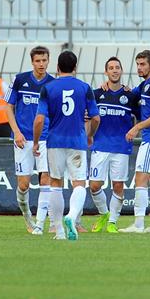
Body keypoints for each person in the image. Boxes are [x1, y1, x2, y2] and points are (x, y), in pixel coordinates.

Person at [33, 51, 100, 240]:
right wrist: (90, 135)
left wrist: (37, 141)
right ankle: (72, 216)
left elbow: (39, 120)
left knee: (55, 184)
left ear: (57, 68)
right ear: (75, 67)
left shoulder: (48, 88)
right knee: (79, 183)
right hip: (77, 140)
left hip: (54, 141)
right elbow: (95, 118)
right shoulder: (85, 88)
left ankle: (60, 231)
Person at [4, 46, 55, 234]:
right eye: (38, 61)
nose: (41, 64)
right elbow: (8, 107)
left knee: (46, 179)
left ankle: (40, 224)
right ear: (32, 62)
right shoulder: (20, 80)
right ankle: (28, 218)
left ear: (48, 61)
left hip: (45, 138)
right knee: (23, 185)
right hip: (23, 138)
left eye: (44, 60)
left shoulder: (53, 84)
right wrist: (16, 132)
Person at [120, 50, 150, 234]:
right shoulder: (144, 86)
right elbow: (128, 94)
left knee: (140, 178)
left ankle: (139, 224)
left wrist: (137, 127)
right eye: (138, 64)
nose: (139, 68)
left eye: (143, 64)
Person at [89, 57, 139, 234]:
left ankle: (112, 222)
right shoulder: (96, 94)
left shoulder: (130, 96)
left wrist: (136, 130)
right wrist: (88, 135)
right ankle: (104, 214)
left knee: (118, 186)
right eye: (111, 68)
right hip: (100, 146)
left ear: (122, 70)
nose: (114, 70)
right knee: (94, 185)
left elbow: (142, 117)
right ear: (106, 72)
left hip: (121, 148)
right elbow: (87, 117)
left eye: (117, 67)